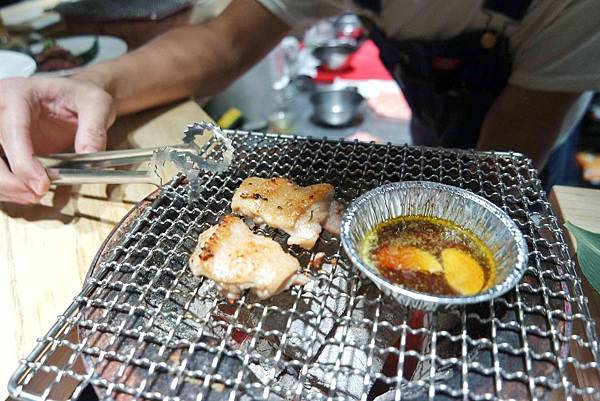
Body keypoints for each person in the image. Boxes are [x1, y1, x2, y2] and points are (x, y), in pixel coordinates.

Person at [0, 0, 598, 204]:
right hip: (439, 106)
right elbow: (224, 40)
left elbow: (500, 159)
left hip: (523, 137)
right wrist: (99, 85)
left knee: (521, 209)